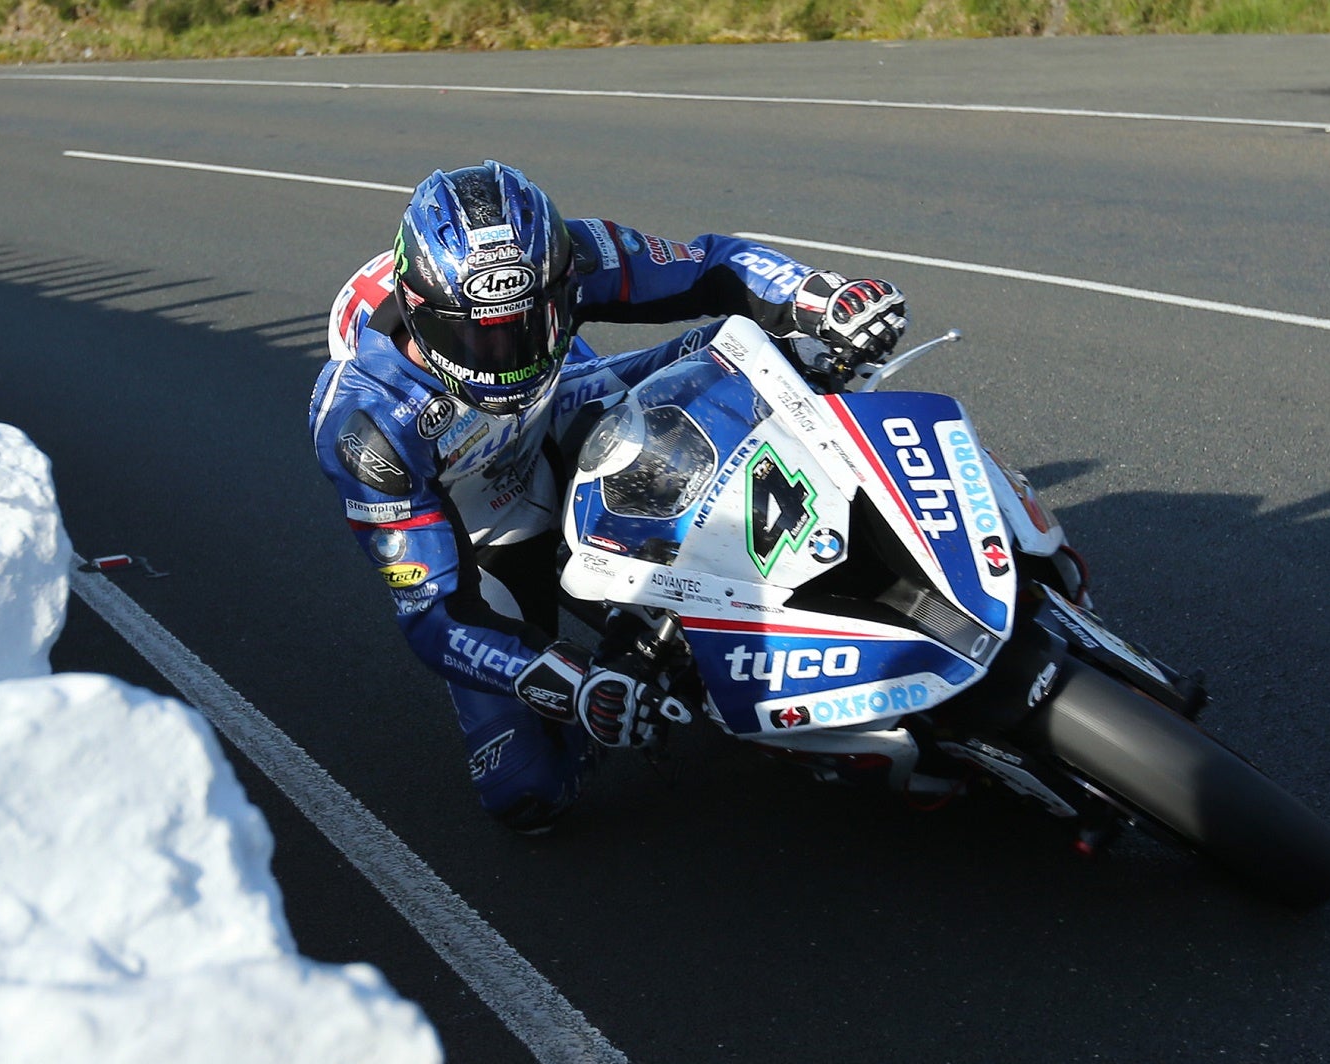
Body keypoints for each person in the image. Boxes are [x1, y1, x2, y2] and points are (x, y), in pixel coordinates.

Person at [309, 160, 908, 832]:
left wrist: (819, 297)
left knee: (753, 353)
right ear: (421, 312)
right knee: (528, 792)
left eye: (530, 323)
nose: (509, 358)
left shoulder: (569, 254)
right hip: (481, 520)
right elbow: (435, 616)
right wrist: (569, 679)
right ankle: (645, 639)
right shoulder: (365, 428)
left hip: (564, 410)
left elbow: (714, 261)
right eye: (479, 335)